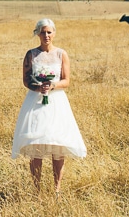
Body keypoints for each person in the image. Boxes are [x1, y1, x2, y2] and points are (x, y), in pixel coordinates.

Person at [11, 18, 86, 196]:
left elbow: (67, 80)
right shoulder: (31, 55)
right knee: (36, 144)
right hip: (35, 102)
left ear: (54, 33)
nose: (46, 35)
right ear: (37, 33)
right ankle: (36, 190)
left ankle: (56, 189)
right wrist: (38, 87)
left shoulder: (61, 54)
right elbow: (26, 80)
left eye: (49, 32)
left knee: (57, 145)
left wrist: (52, 86)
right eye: (43, 32)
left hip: (56, 102)